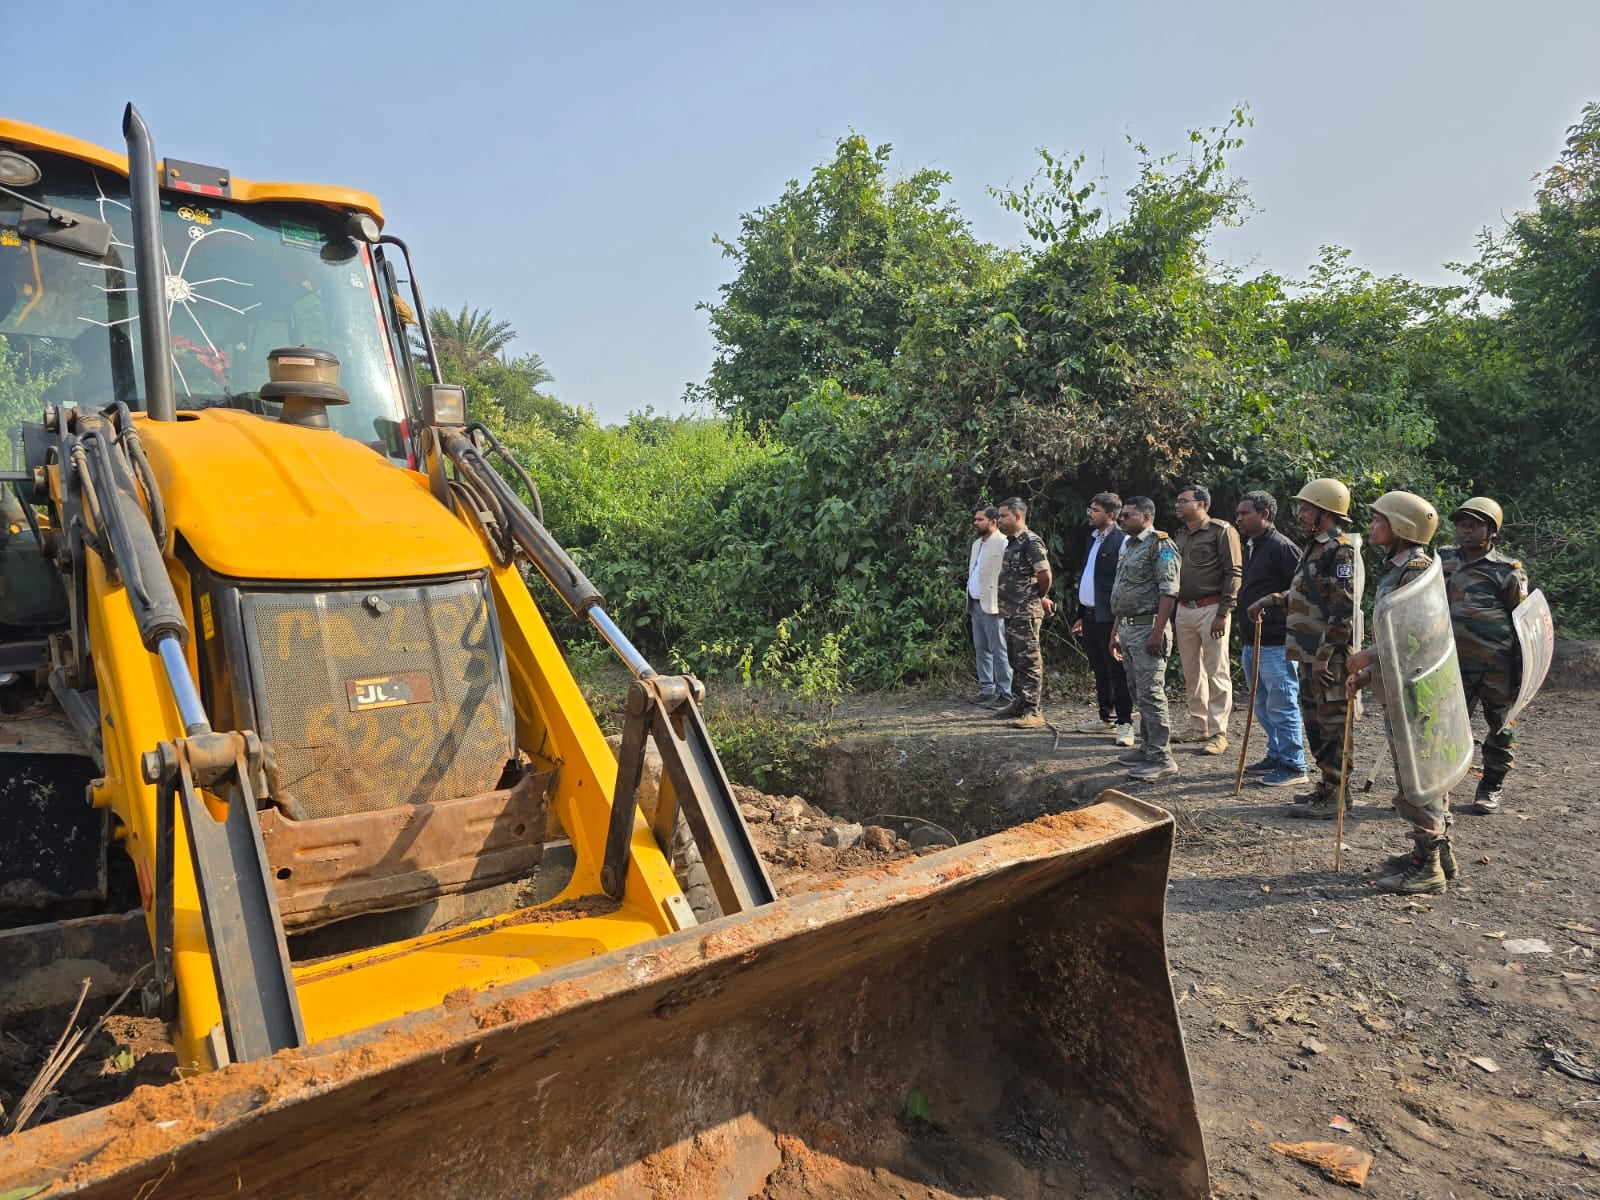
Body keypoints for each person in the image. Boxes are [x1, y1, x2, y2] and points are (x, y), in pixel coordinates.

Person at [1343, 492, 1453, 894]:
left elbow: (1417, 634)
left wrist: (1369, 656)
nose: (1372, 526)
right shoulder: (1398, 568)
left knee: (1418, 779)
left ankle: (1428, 868)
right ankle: (1439, 854)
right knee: (1420, 775)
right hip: (1401, 687)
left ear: (1402, 527)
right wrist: (1371, 672)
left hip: (1416, 693)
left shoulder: (1415, 571)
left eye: (1379, 519)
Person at [1247, 478, 1359, 819]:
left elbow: (1343, 607)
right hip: (1308, 654)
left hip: (1329, 657)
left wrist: (1324, 656)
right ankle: (1327, 786)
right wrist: (1271, 599)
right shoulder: (1314, 547)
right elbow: (1304, 592)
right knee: (1315, 724)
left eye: (1307, 509)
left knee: (1333, 726)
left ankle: (1338, 795)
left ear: (1326, 512)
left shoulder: (1340, 550)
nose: (1301, 514)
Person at [1440, 497, 1529, 815]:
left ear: (1491, 530)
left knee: (1501, 728)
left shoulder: (1507, 571)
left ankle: (1491, 786)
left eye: (1475, 525)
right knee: (1446, 729)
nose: (1466, 530)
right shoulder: (1442, 561)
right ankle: (1440, 789)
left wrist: (1522, 669)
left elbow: (1522, 622)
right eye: (1462, 524)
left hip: (1496, 667)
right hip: (1451, 665)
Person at [1234, 491, 1309, 787]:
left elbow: (1301, 592)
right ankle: (1277, 753)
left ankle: (1294, 764)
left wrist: (1273, 608)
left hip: (1276, 641)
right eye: (1238, 514)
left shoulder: (1282, 547)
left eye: (1245, 513)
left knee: (1282, 703)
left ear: (1264, 514)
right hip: (1253, 639)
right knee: (1263, 703)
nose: (1239, 519)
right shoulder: (1253, 545)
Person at [1109, 497, 1180, 780]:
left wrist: (1157, 631)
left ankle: (1162, 757)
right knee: (1137, 691)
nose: (1122, 520)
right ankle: (1147, 747)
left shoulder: (1160, 545)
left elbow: (1169, 591)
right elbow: (1123, 591)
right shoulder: (1130, 545)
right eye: (1121, 515)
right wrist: (1116, 631)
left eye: (1128, 515)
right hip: (1128, 628)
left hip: (1148, 628)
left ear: (1147, 517)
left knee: (1151, 693)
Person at [1170, 485, 1242, 756]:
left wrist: (1224, 612)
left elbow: (1233, 572)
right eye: (1177, 501)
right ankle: (1198, 724)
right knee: (1191, 671)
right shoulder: (1179, 535)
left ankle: (1218, 732)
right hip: (1184, 609)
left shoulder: (1221, 531)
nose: (1177, 505)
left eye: (1183, 500)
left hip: (1212, 608)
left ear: (1201, 504)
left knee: (1217, 670)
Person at [1071, 492, 1134, 747]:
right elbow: (1089, 577)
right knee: (1098, 668)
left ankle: (1125, 723)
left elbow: (1122, 582)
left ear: (1110, 515)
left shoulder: (1123, 541)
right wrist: (1081, 615)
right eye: (1090, 508)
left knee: (1117, 670)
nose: (1090, 513)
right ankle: (1105, 716)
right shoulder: (1093, 538)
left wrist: (1118, 622)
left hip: (1110, 618)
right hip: (1090, 615)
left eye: (1095, 510)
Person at [993, 498, 1054, 729]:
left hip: (1025, 611)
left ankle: (1033, 710)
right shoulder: (1012, 542)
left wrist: (1037, 596)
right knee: (1015, 658)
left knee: (1029, 660)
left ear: (1018, 516)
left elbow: (1045, 574)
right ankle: (1019, 702)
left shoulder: (1031, 541)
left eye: (1003, 516)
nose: (999, 520)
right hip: (1011, 610)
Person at [966, 504, 1013, 708]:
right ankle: (986, 689)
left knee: (999, 649)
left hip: (994, 604)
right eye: (975, 519)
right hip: (976, 603)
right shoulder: (977, 544)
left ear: (993, 522)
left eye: (980, 520)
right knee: (981, 648)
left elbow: (1009, 573)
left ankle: (1006, 693)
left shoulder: (1003, 543)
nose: (976, 523)